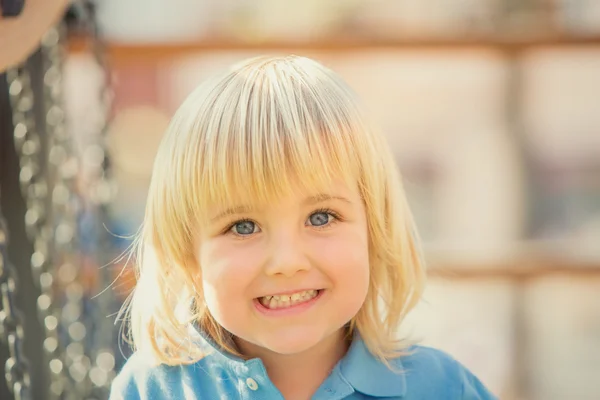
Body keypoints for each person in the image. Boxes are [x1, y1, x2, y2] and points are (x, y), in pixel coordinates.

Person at [109, 55, 497, 400]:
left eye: (321, 218)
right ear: (186, 253)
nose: (287, 262)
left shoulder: (441, 388)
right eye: (243, 226)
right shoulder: (151, 390)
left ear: (373, 231)